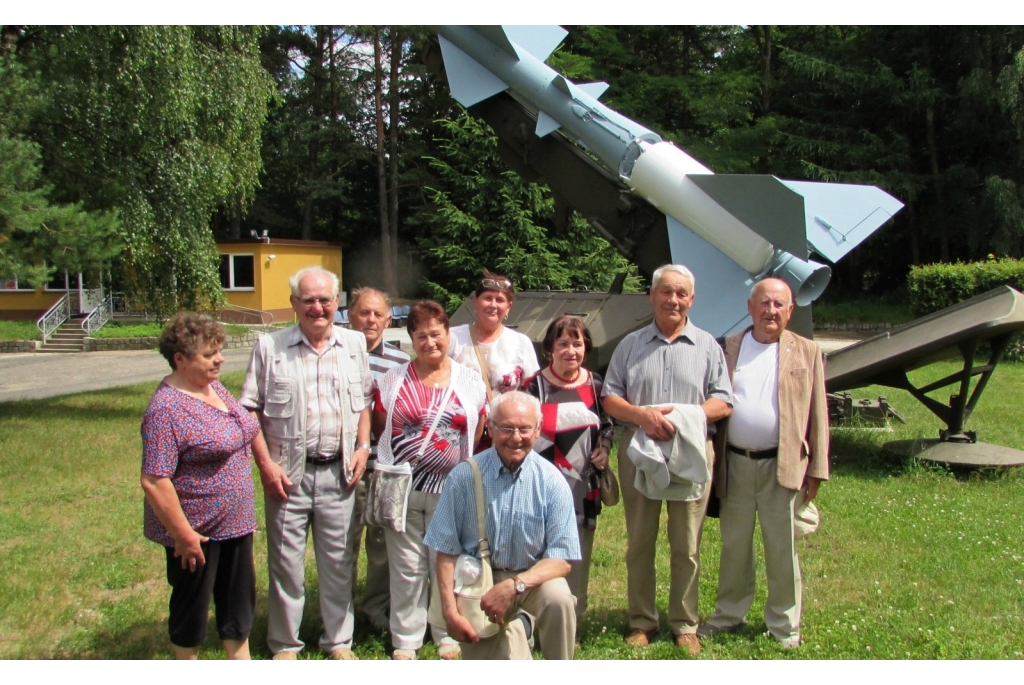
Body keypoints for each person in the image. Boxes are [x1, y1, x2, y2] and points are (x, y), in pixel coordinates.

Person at [240, 266, 373, 660]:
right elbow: (249, 411)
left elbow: (364, 401)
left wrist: (363, 446)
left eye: (325, 300)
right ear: (295, 303)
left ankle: (338, 642)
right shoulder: (270, 347)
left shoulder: (354, 345)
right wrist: (265, 465)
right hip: (288, 475)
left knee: (338, 564)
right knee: (286, 566)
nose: (317, 308)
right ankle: (285, 644)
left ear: (337, 303)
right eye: (308, 300)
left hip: (340, 472)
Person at [601, 264, 733, 655]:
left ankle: (684, 622)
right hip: (640, 452)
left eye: (681, 293)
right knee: (640, 540)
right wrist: (642, 416)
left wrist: (685, 419)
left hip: (691, 451)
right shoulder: (630, 345)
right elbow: (610, 397)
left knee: (686, 544)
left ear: (691, 299)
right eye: (666, 292)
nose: (673, 299)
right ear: (653, 296)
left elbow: (723, 400)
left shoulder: (709, 346)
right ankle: (642, 621)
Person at [698, 278, 829, 649]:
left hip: (783, 466)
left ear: (790, 310)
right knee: (734, 545)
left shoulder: (807, 352)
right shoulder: (729, 348)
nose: (771, 311)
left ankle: (784, 626)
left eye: (779, 305)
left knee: (781, 548)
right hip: (735, 463)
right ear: (750, 307)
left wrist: (817, 469)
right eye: (764, 303)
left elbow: (818, 413)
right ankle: (728, 615)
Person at [141, 313, 267, 660]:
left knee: (238, 605)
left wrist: (266, 464)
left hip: (236, 525)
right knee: (191, 611)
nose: (220, 359)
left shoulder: (214, 388)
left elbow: (247, 429)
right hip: (197, 532)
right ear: (180, 360)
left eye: (219, 351)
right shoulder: (165, 410)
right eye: (209, 354)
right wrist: (183, 535)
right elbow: (154, 479)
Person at [425, 391, 581, 661]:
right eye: (507, 428)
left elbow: (562, 559)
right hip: (479, 583)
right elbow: (445, 551)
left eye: (524, 429)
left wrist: (514, 586)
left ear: (538, 430)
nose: (516, 438)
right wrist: (449, 612)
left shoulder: (552, 481)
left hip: (532, 581)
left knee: (560, 600)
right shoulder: (463, 477)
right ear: (491, 428)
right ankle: (521, 628)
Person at [374, 300, 487, 660]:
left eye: (435, 334)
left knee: (447, 563)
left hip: (451, 489)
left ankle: (446, 631)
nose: (429, 342)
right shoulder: (393, 379)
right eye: (420, 336)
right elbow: (381, 426)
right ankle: (406, 638)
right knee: (406, 566)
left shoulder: (469, 380)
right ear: (411, 339)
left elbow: (478, 428)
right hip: (404, 488)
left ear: (447, 334)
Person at [523, 315, 614, 625]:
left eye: (577, 344)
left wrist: (604, 447)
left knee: (577, 555)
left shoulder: (595, 385)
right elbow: (523, 431)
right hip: (541, 486)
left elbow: (608, 425)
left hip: (582, 487)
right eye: (563, 343)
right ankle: (533, 619)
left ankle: (570, 619)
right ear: (550, 348)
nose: (570, 351)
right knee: (539, 550)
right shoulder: (533, 386)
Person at [346, 287, 410, 633]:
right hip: (344, 467)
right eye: (363, 313)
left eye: (377, 314)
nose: (371, 320)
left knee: (383, 545)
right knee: (345, 543)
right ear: (349, 314)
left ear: (388, 320)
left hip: (384, 466)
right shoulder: (336, 354)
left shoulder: (400, 362)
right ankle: (341, 614)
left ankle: (375, 610)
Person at [448, 269, 540, 399]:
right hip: (461, 418)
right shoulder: (453, 337)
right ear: (475, 302)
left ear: (509, 307)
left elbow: (532, 392)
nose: (493, 305)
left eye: (500, 300)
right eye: (487, 298)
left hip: (506, 418)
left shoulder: (521, 343)